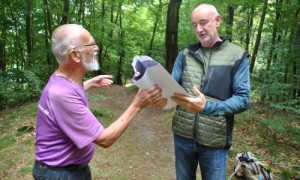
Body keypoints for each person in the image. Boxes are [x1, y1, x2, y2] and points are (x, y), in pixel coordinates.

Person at [32, 24, 163, 180]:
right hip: (59, 174)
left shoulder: (59, 81)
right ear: (75, 55)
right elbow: (105, 139)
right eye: (91, 44)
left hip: (67, 169)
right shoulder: (61, 93)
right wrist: (137, 104)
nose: (96, 48)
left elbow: (66, 94)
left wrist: (89, 83)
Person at [155, 4, 250, 180]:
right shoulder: (185, 54)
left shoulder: (238, 55)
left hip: (215, 140)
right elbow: (170, 87)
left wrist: (207, 107)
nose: (199, 29)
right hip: (182, 136)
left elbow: (243, 99)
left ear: (218, 20)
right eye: (194, 24)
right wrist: (154, 86)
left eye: (203, 22)